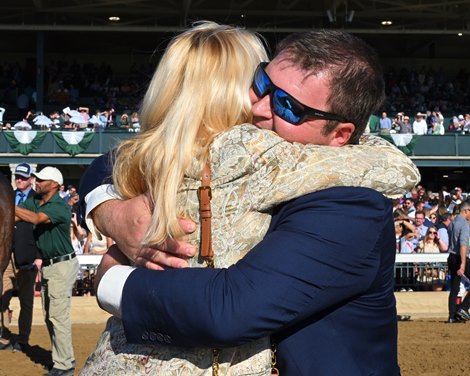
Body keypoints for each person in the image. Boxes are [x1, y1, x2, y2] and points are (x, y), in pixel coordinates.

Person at [82, 27, 419, 375]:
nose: (257, 107)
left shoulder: (349, 203)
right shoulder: (244, 162)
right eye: (261, 84)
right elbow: (120, 159)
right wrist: (109, 208)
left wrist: (111, 279)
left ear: (341, 135)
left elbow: (230, 311)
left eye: (287, 106)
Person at [15, 166, 79, 376]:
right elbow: (18, 216)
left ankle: (65, 365)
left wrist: (9, 204)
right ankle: (61, 359)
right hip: (51, 265)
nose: (37, 181)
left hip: (61, 265)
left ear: (53, 184)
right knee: (50, 316)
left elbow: (34, 219)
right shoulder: (35, 201)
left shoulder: (59, 206)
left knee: (57, 316)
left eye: (42, 179)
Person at [0, 163, 42, 352]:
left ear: (31, 179)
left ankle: (23, 338)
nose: (19, 180)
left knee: (26, 301)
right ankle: (4, 334)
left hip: (28, 256)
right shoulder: (8, 196)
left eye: (23, 177)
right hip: (7, 254)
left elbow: (42, 230)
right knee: (3, 296)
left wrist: (39, 257)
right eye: (17, 176)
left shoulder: (37, 200)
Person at [447, 201, 470, 323]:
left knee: (454, 288)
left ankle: (452, 316)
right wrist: (463, 264)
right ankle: (463, 308)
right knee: (455, 287)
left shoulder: (452, 223)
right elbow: (463, 245)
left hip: (451, 257)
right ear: (465, 211)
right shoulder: (464, 225)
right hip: (460, 257)